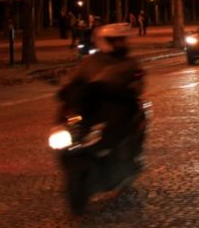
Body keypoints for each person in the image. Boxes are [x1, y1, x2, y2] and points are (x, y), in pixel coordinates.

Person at [57, 23, 145, 153]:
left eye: (122, 40)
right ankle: (76, 134)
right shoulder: (90, 62)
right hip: (93, 108)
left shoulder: (130, 63)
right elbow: (76, 80)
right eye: (116, 40)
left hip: (118, 107)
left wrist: (125, 89)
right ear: (106, 41)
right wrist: (66, 91)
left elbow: (137, 85)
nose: (120, 43)